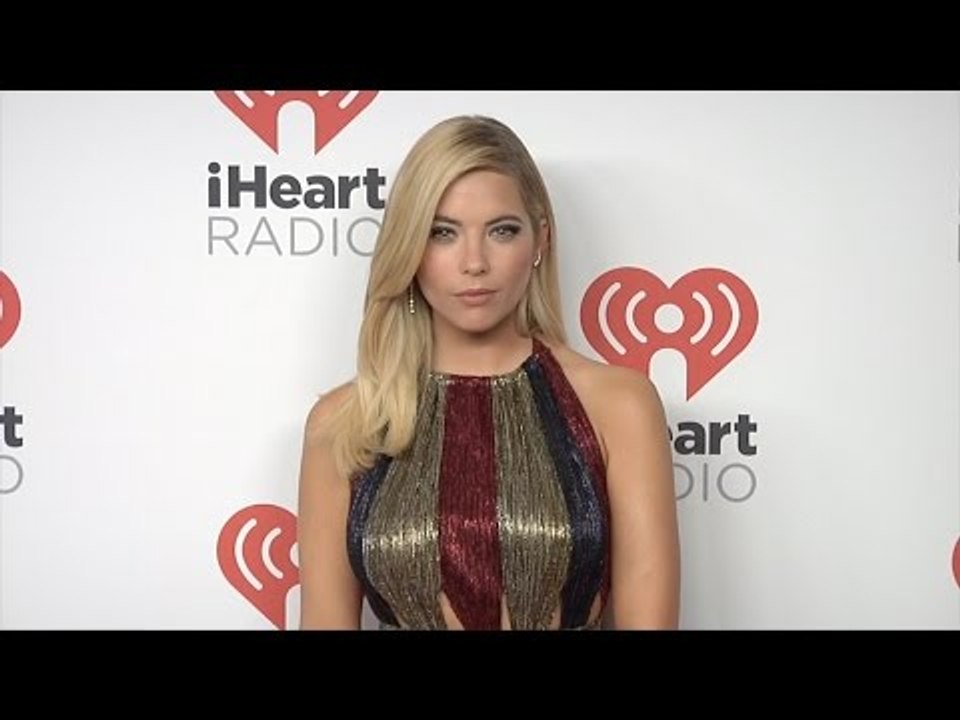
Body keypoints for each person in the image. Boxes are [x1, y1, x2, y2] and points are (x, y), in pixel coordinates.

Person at [297, 115, 679, 630]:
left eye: (502, 230)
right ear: (410, 248)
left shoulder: (619, 405)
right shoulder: (344, 422)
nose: (474, 262)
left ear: (539, 240)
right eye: (443, 232)